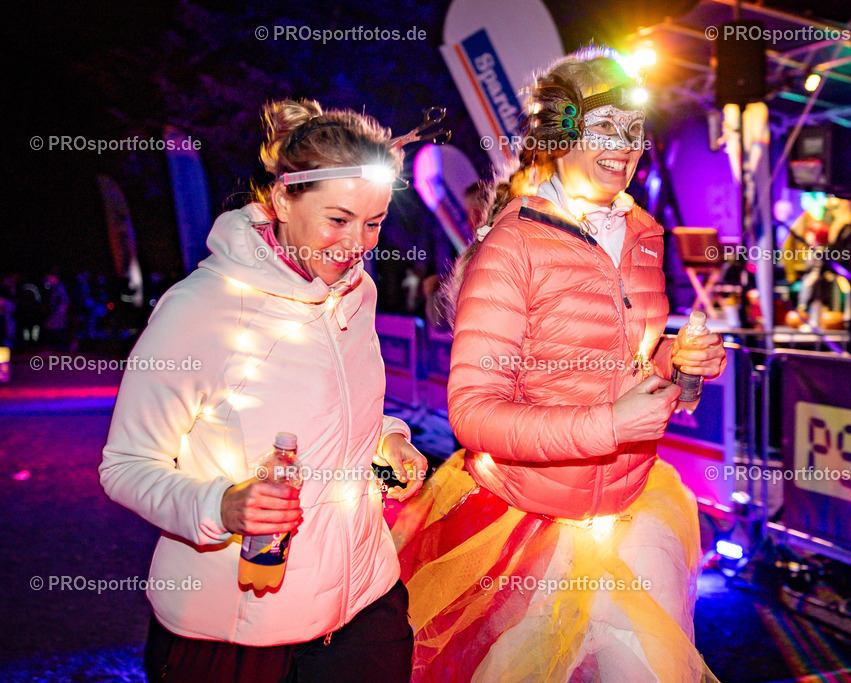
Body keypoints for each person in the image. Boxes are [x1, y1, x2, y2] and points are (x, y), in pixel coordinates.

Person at [392, 50, 727, 682]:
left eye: (634, 130)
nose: (624, 146)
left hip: (632, 512)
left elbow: (639, 378)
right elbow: (472, 413)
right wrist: (608, 422)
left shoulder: (644, 234)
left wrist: (682, 367)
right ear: (560, 134)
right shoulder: (510, 245)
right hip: (524, 527)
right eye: (605, 127)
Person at [99, 98, 427, 682]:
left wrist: (388, 441)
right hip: (247, 634)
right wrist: (218, 505)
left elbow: (340, 408)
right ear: (281, 199)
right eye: (338, 218)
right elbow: (125, 464)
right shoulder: (201, 309)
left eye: (373, 223)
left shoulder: (357, 292)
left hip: (366, 606)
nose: (356, 244)